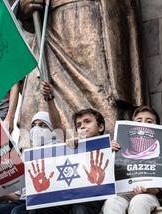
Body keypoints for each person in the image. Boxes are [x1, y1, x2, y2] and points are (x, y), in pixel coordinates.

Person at [14, 83, 107, 214]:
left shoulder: (107, 145)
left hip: (88, 199)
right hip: (64, 197)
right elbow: (58, 125)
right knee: (35, 213)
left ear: (100, 127)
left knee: (82, 212)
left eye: (87, 122)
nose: (82, 127)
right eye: (79, 124)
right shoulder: (70, 144)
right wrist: (50, 100)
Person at [16, 0, 146, 150]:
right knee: (52, 127)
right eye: (79, 124)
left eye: (84, 123)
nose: (82, 127)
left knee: (106, 105)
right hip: (51, 24)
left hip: (95, 20)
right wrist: (23, 5)